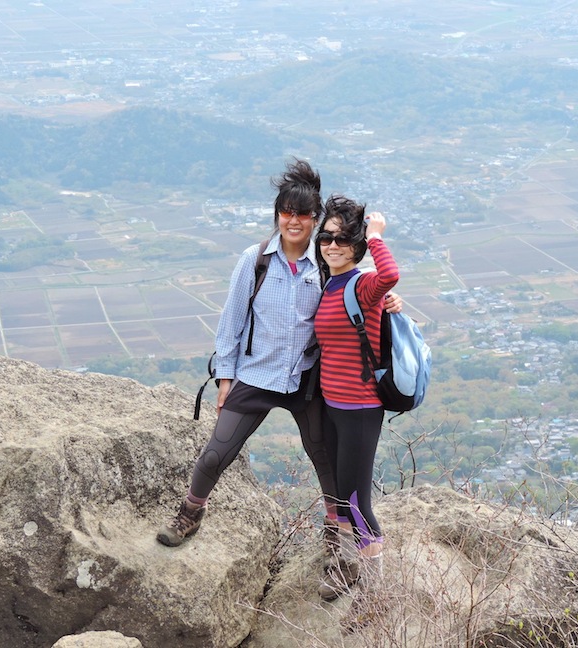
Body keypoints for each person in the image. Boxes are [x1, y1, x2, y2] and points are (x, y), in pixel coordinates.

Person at [156, 160, 401, 553]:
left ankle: (335, 545)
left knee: (326, 465)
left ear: (315, 219)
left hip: (307, 380)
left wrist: (389, 301)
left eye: (304, 214)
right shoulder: (255, 260)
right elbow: (231, 320)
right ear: (277, 214)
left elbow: (360, 291)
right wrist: (225, 377)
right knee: (216, 453)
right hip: (256, 375)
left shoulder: (326, 264)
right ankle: (190, 513)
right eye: (287, 212)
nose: (294, 221)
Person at [312, 195, 399, 630]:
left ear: (357, 244)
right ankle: (347, 571)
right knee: (340, 498)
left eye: (342, 238)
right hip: (333, 406)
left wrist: (377, 235)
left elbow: (391, 276)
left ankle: (376, 594)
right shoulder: (327, 284)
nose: (332, 244)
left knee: (357, 502)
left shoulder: (362, 283)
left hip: (362, 407)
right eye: (325, 237)